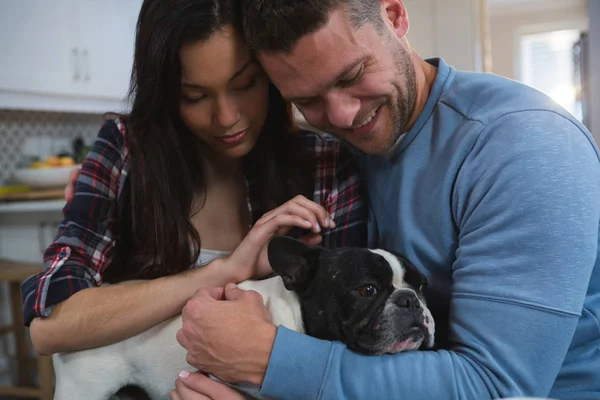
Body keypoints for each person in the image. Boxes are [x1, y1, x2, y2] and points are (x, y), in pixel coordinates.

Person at [173, 0, 600, 399]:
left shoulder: (525, 145)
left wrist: (268, 359)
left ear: (394, 16)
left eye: (352, 75)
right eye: (307, 100)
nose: (340, 115)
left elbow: (497, 389)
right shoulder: (351, 148)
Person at [20, 0, 367, 360]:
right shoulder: (128, 150)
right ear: (166, 96)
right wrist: (226, 271)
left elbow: (350, 329)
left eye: (246, 84)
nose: (227, 118)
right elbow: (51, 328)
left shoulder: (325, 163)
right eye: (195, 96)